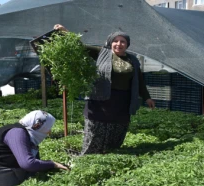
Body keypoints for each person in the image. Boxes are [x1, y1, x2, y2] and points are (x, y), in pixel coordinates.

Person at [53, 24, 155, 154]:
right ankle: (88, 159)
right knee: (95, 132)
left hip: (122, 102)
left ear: (127, 44)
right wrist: (65, 32)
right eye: (115, 41)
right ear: (111, 43)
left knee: (116, 132)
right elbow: (80, 46)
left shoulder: (133, 60)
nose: (119, 44)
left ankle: (110, 157)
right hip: (100, 101)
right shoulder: (102, 53)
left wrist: (147, 97)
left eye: (122, 41)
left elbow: (139, 80)